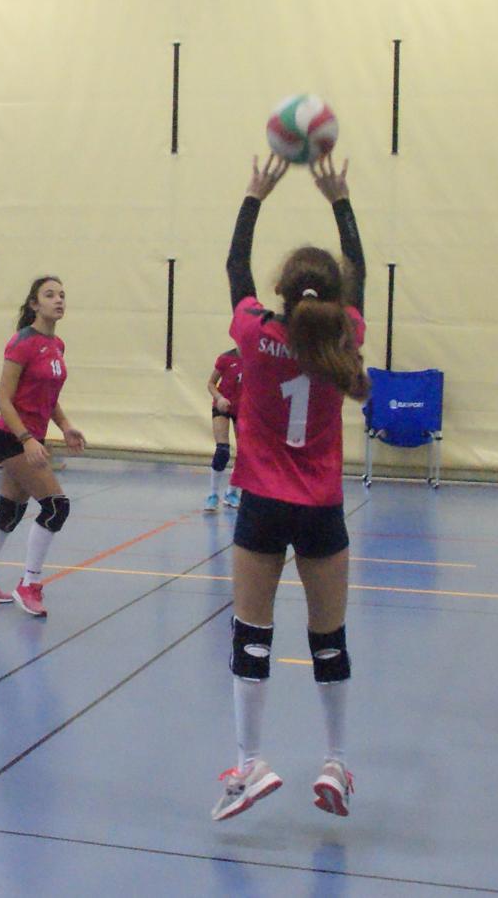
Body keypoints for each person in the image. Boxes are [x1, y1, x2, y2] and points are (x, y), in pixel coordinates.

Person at [211, 153, 368, 823]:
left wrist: (255, 193)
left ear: (281, 291)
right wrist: (339, 199)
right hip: (322, 510)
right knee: (328, 639)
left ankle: (251, 764)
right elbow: (360, 275)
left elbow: (234, 267)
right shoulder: (345, 336)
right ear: (335, 295)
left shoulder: (254, 333)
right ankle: (334, 763)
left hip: (262, 504)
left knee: (252, 632)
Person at [0, 276, 85, 617]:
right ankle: (29, 583)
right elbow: (4, 400)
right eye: (50, 295)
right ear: (34, 304)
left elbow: (48, 396)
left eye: (62, 295)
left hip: (31, 437)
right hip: (12, 437)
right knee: (56, 507)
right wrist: (27, 439)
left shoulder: (57, 345)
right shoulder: (22, 343)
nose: (58, 300)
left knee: (10, 512)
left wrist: (65, 426)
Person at [205, 347, 243, 512]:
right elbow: (211, 384)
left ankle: (231, 492)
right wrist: (219, 398)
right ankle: (213, 494)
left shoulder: (256, 358)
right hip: (223, 405)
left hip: (243, 409)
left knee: (244, 454)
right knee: (222, 450)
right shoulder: (226, 358)